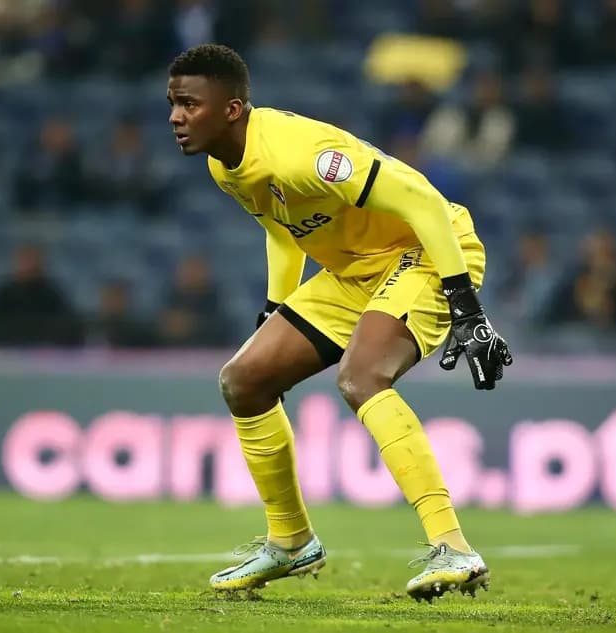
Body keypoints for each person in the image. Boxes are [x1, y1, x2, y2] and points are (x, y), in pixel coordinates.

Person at [166, 44, 512, 601]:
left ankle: (454, 547)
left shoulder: (303, 153)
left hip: (425, 251)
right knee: (245, 380)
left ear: (231, 109)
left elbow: (424, 201)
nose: (176, 117)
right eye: (173, 103)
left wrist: (465, 305)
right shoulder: (224, 166)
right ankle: (290, 541)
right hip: (354, 270)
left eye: (189, 104)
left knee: (361, 377)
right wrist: (278, 306)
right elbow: (282, 225)